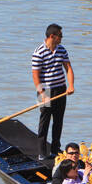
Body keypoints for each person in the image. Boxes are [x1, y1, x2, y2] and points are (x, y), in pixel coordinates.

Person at [31, 24, 74, 160]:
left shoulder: (61, 50)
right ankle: (42, 152)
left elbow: (68, 68)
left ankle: (55, 150)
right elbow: (35, 76)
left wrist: (70, 85)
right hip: (44, 89)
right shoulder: (39, 52)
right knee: (44, 121)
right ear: (52, 36)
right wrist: (42, 94)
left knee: (58, 120)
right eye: (60, 35)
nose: (62, 38)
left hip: (60, 89)